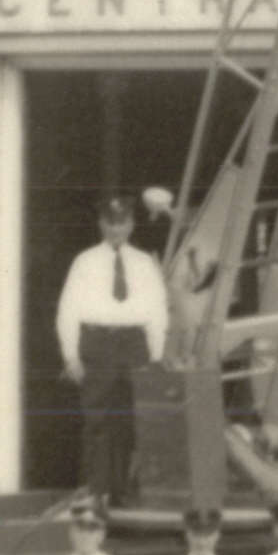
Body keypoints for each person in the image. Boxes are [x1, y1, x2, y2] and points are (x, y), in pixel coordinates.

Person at [52, 195, 172, 506]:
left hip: (134, 345)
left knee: (131, 419)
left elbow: (158, 312)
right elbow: (68, 311)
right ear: (101, 224)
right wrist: (71, 357)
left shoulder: (145, 264)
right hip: (98, 344)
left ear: (131, 224)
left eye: (122, 222)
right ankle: (97, 492)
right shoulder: (85, 262)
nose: (116, 228)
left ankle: (123, 492)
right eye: (110, 222)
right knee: (98, 419)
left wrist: (157, 357)